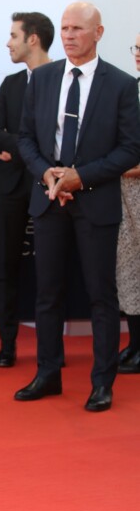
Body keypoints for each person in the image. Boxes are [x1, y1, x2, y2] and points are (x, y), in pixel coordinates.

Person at [15, 2, 140, 412]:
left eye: (78, 29)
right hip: (49, 199)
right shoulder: (44, 77)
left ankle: (101, 382)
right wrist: (48, 175)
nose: (69, 36)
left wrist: (80, 177)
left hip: (95, 201)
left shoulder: (121, 84)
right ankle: (48, 373)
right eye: (65, 28)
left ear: (98, 33)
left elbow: (131, 148)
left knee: (101, 296)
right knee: (47, 293)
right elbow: (26, 138)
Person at [0, 12, 54, 367]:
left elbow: (60, 138)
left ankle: (50, 350)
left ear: (33, 39)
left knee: (51, 269)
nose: (8, 43)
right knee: (6, 265)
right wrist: (27, 147)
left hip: (50, 185)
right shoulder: (11, 84)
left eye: (13, 35)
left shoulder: (63, 79)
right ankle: (7, 345)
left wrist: (18, 149)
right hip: (12, 185)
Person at [116, 35, 140, 374]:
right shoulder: (129, 89)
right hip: (124, 193)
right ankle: (135, 343)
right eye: (137, 48)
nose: (139, 55)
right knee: (129, 269)